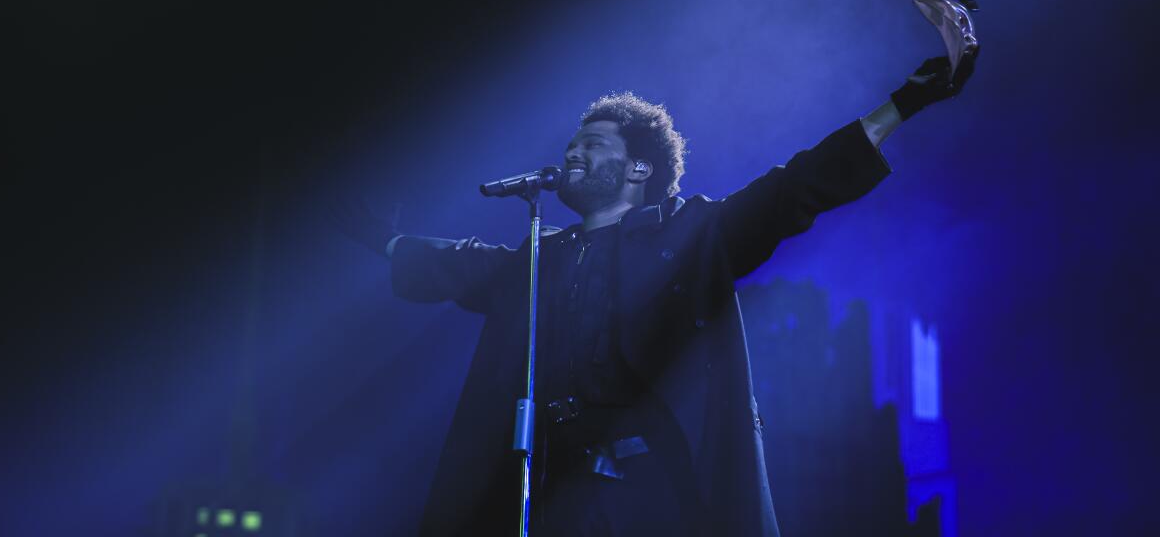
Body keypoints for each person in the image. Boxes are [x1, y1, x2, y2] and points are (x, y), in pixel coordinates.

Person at [337, 54, 976, 536]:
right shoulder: (540, 258)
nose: (573, 152)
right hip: (551, 493)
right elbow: (454, 265)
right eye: (570, 144)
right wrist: (376, 236)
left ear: (639, 168)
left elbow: (793, 189)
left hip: (654, 493)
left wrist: (903, 104)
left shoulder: (688, 236)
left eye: (592, 144)